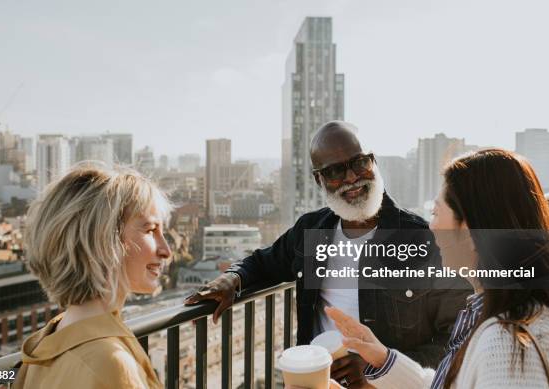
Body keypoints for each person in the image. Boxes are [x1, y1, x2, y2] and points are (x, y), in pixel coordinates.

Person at [185, 121, 469, 387]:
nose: (351, 178)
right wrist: (232, 279)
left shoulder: (426, 241)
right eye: (334, 171)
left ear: (373, 162)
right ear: (319, 179)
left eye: (359, 163)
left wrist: (382, 370)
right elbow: (263, 262)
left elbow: (456, 338)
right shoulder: (311, 231)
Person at [325, 148, 549, 389]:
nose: (431, 227)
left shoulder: (508, 347)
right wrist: (384, 359)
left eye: (435, 213)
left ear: (470, 230)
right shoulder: (498, 315)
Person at [13, 164, 171, 389]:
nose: (166, 250)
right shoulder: (111, 363)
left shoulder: (44, 344)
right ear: (104, 241)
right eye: (149, 230)